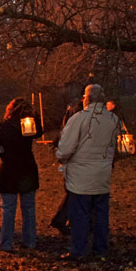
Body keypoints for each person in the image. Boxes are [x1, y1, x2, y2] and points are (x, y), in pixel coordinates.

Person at [55, 84, 120, 260]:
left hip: (81, 178)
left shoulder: (79, 119)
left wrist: (61, 156)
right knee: (100, 215)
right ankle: (100, 249)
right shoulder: (113, 120)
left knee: (80, 215)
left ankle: (79, 250)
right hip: (102, 175)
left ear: (87, 98)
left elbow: (65, 148)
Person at [0, 98, 43, 252]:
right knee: (28, 208)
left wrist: (3, 151)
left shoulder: (3, 127)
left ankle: (6, 243)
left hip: (9, 170)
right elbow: (40, 132)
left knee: (8, 210)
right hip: (27, 169)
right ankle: (30, 240)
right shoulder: (29, 126)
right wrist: (35, 117)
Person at [49, 97, 84, 235]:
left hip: (74, 157)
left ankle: (67, 219)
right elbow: (68, 134)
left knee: (75, 191)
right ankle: (62, 218)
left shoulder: (77, 113)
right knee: (75, 191)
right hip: (75, 158)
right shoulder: (78, 114)